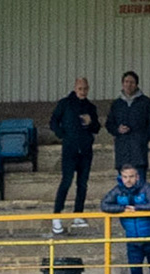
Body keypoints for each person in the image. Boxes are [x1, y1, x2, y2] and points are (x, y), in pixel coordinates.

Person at [100, 165, 150, 274]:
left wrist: (136, 208)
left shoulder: (146, 188)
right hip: (132, 239)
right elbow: (104, 205)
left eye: (131, 176)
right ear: (120, 177)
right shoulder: (118, 190)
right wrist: (122, 209)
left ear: (137, 177)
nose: (128, 180)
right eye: (125, 177)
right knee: (135, 270)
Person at [49, 77, 99, 235]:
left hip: (85, 150)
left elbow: (97, 128)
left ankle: (78, 214)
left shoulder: (91, 107)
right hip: (70, 149)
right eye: (80, 89)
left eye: (85, 89)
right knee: (66, 180)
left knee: (82, 183)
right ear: (75, 88)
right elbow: (53, 121)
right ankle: (57, 214)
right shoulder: (65, 104)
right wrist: (63, 135)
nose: (83, 92)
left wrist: (91, 122)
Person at [105, 71, 150, 179]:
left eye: (132, 82)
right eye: (126, 82)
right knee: (123, 187)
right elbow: (109, 124)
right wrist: (117, 130)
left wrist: (143, 138)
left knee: (140, 186)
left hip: (139, 152)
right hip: (122, 152)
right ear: (122, 84)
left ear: (136, 84)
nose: (129, 85)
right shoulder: (116, 104)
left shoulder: (145, 102)